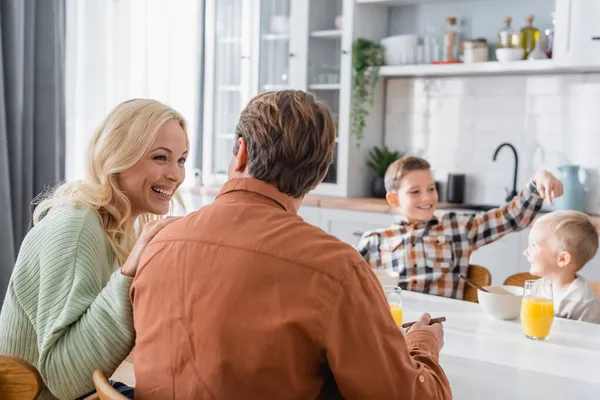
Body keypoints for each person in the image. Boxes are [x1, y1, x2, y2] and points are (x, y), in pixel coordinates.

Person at [131, 90, 452, 399]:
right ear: (320, 174)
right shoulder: (335, 268)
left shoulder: (159, 242)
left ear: (240, 153)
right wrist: (423, 342)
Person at [0, 98, 188, 399]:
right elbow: (64, 379)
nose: (176, 175)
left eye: (181, 160)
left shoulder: (117, 229)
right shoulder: (76, 227)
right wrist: (129, 272)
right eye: (160, 158)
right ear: (119, 156)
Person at [356, 156, 564, 300]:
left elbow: (513, 217)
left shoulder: (457, 228)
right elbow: (344, 284)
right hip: (393, 328)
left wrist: (539, 180)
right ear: (393, 199)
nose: (427, 197)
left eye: (431, 188)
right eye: (415, 192)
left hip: (441, 327)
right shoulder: (374, 241)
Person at [524, 211, 600, 324]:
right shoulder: (537, 288)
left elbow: (587, 339)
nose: (525, 252)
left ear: (562, 259)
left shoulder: (584, 303)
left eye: (534, 245)